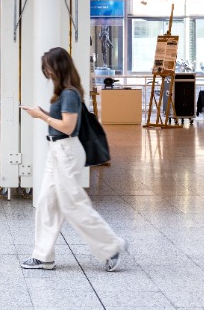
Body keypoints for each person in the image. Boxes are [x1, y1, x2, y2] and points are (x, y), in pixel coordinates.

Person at [20, 47, 127, 272]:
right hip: (57, 150)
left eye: (48, 67)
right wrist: (44, 114)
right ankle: (43, 256)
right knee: (47, 202)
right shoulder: (66, 92)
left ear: (59, 67)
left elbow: (68, 128)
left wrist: (41, 116)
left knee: (73, 204)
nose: (47, 72)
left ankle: (111, 247)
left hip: (66, 151)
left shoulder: (69, 93)